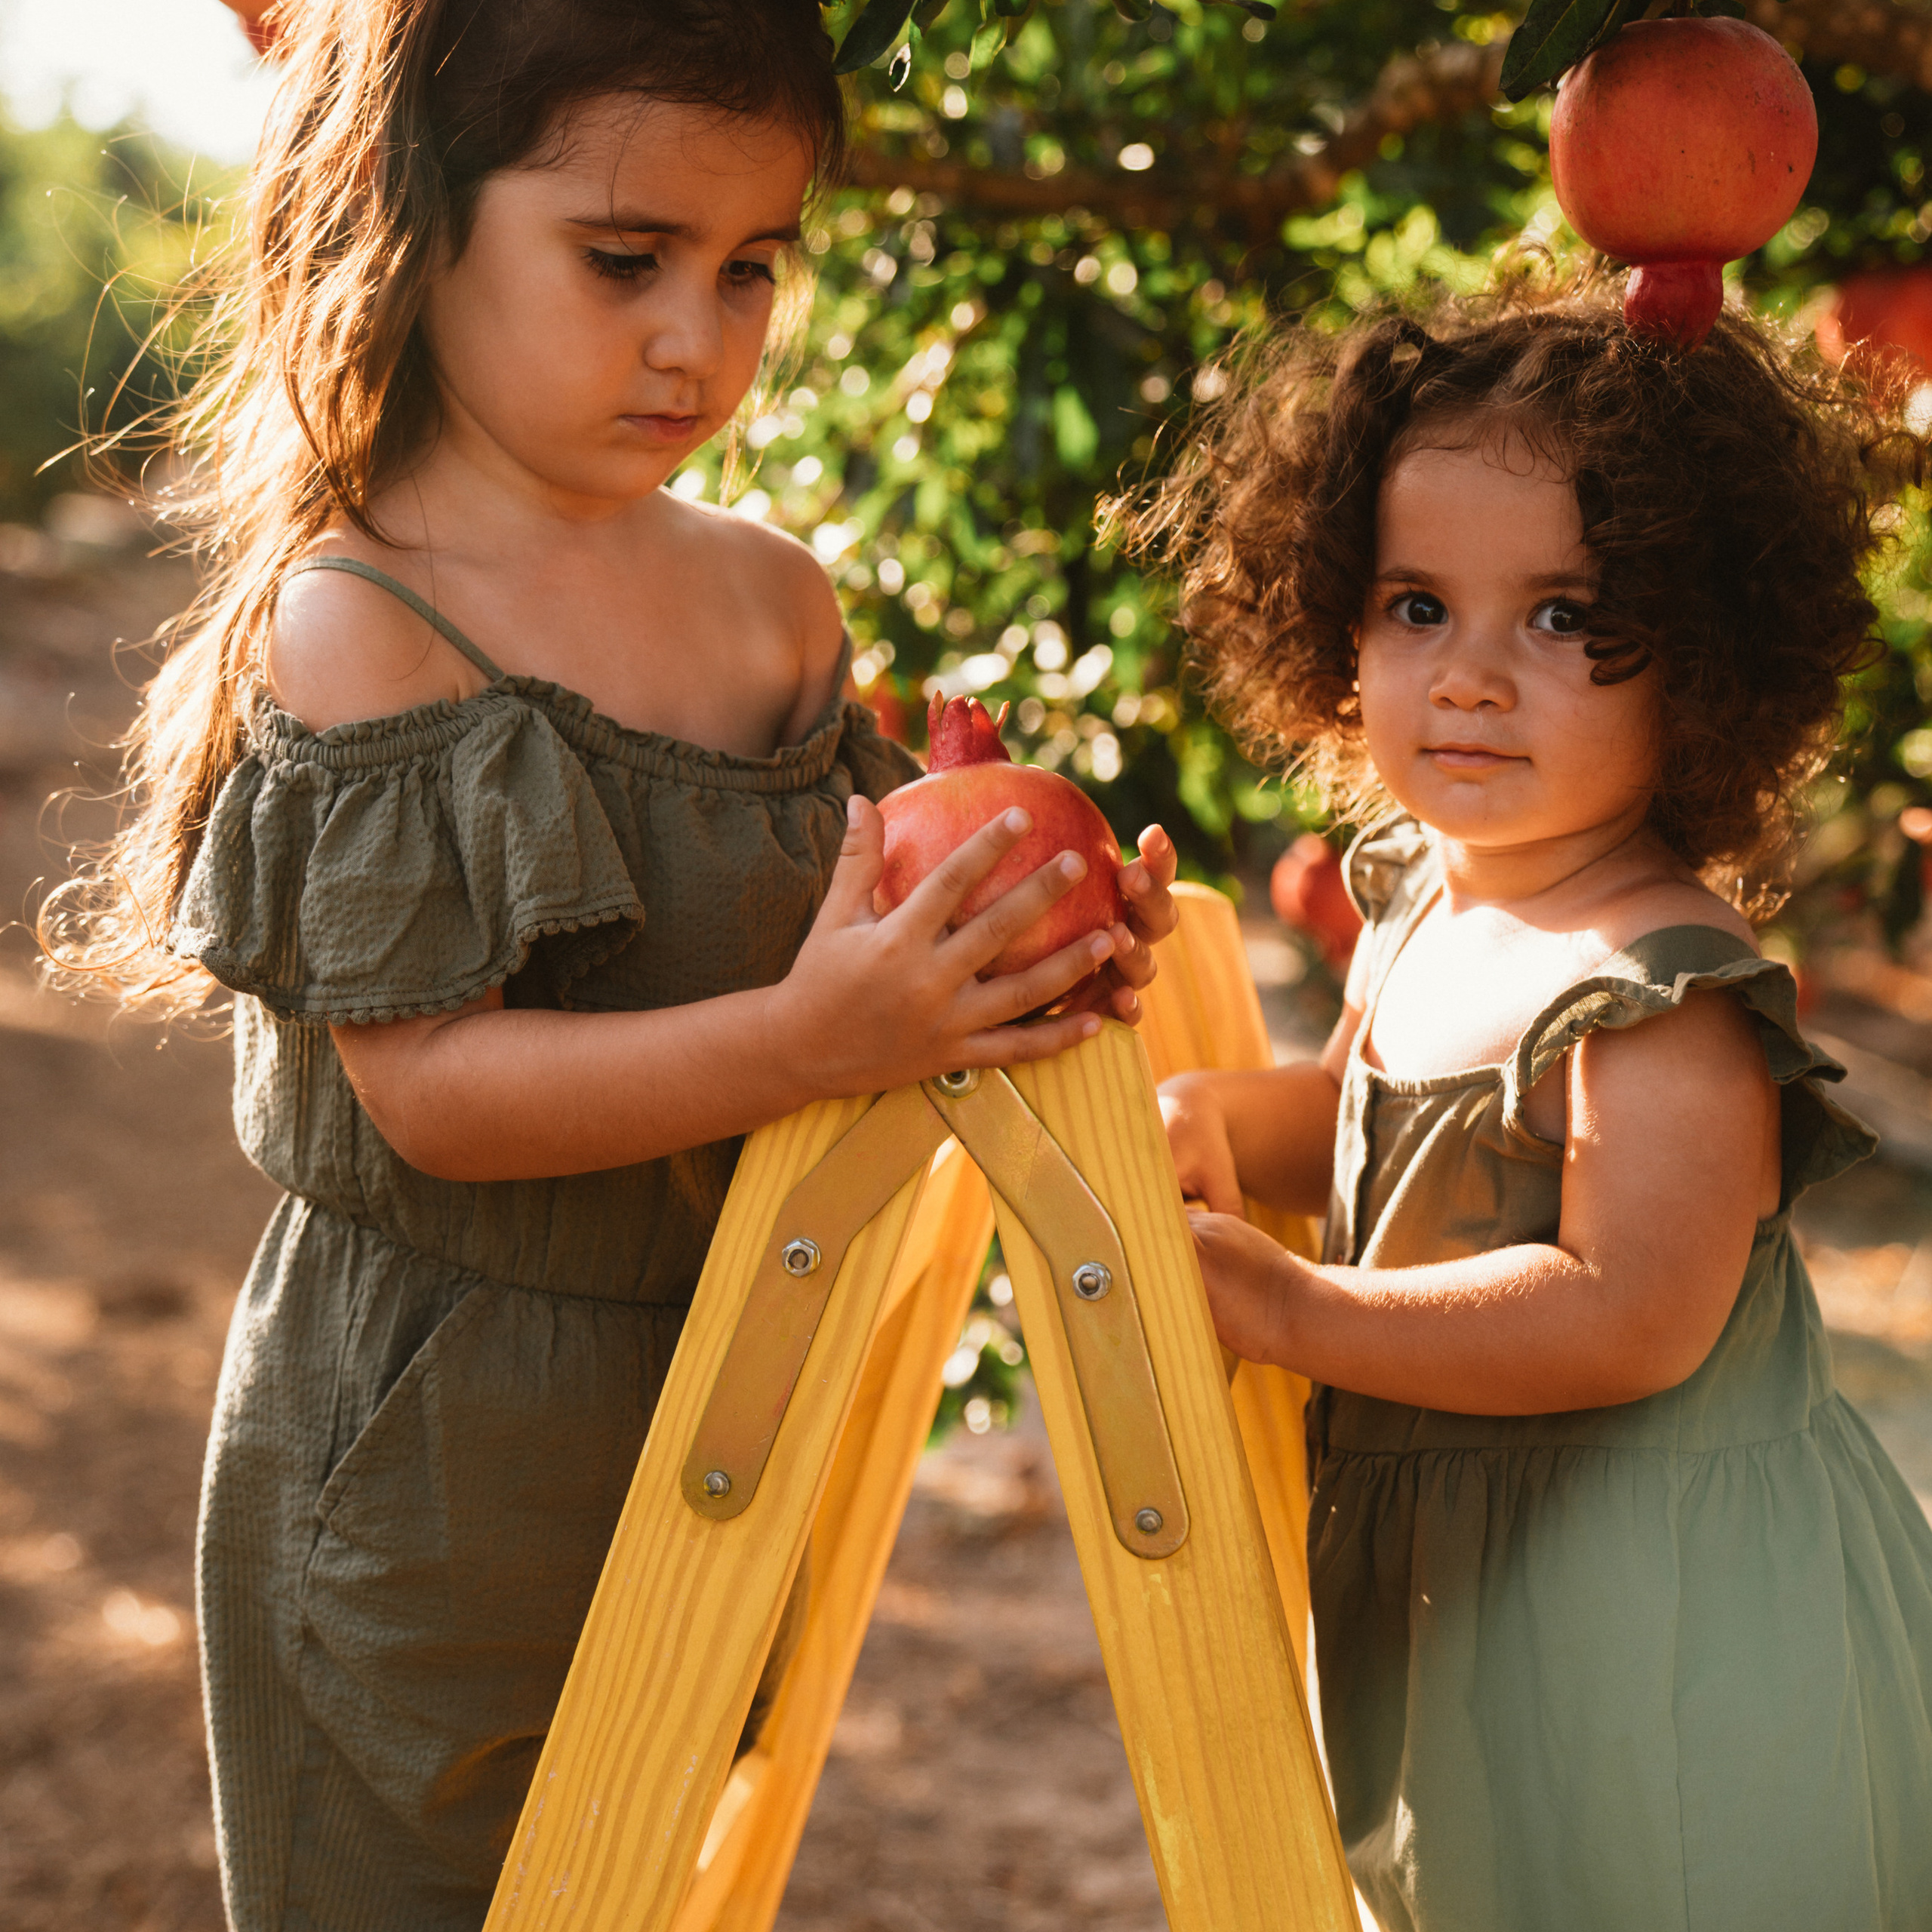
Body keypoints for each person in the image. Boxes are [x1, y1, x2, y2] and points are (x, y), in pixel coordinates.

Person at [42, 3, 1178, 1926]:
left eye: (751, 269)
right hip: (429, 1441)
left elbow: (872, 919)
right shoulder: (367, 618)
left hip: (724, 1369)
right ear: (405, 217)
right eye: (624, 258)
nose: (699, 337)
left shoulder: (766, 600)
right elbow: (436, 1095)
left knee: (637, 1883)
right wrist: (816, 1031)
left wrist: (1019, 930)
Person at [1124, 291, 1932, 1930]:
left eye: (1562, 617)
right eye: (1416, 604)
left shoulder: (1660, 985)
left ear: (1705, 664)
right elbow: (1375, 1124)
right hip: (1481, 1597)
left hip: (1674, 1640)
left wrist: (1291, 1304)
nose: (1472, 676)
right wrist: (1224, 1118)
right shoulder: (1426, 901)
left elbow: (1621, 1310)